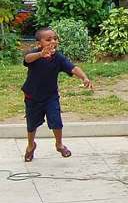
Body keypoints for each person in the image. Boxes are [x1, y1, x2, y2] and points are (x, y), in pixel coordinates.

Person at [22, 27, 93, 162]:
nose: (52, 41)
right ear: (39, 44)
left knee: (56, 121)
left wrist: (84, 77)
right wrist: (40, 54)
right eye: (48, 39)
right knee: (31, 125)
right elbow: (27, 59)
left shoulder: (58, 58)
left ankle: (59, 144)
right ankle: (31, 146)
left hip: (51, 97)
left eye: (55, 39)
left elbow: (72, 67)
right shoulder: (35, 55)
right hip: (32, 97)